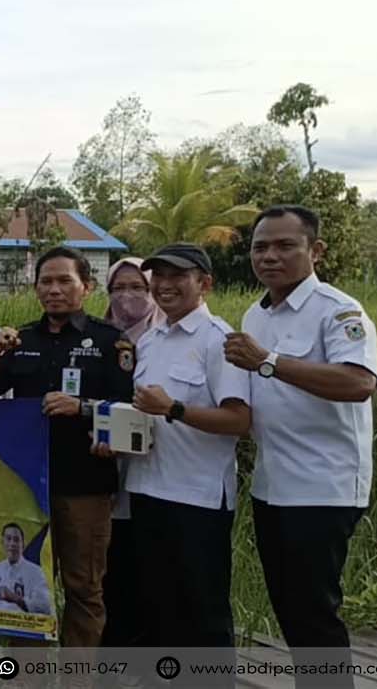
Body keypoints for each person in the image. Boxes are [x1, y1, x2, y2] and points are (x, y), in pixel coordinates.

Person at [225, 205, 377, 682]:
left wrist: (268, 360)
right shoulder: (257, 311)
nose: (270, 257)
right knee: (290, 609)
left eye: (284, 246)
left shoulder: (339, 311)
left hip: (324, 485)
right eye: (260, 247)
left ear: (316, 250)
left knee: (315, 613)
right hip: (273, 485)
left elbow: (358, 382)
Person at [0, 246, 134, 648]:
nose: (54, 289)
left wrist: (81, 408)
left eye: (65, 281)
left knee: (84, 588)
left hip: (86, 487)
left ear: (87, 286)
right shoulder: (18, 340)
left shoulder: (111, 343)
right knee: (26, 585)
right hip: (27, 488)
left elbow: (131, 412)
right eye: (46, 281)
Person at [124, 244, 251, 648]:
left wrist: (175, 408)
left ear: (205, 283)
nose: (164, 285)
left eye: (178, 276)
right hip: (146, 490)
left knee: (203, 614)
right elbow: (144, 412)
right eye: (158, 276)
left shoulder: (219, 341)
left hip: (196, 499)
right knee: (158, 610)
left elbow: (239, 420)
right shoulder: (151, 339)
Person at [98, 256, 164, 649]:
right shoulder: (102, 338)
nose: (127, 296)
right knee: (113, 567)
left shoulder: (163, 338)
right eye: (118, 288)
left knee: (151, 567)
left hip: (159, 473)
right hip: (108, 469)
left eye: (137, 287)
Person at [0, 523, 53, 615]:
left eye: (16, 540)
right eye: (8, 539)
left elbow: (45, 607)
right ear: (2, 542)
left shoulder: (37, 572)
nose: (12, 544)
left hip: (25, 627)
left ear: (23, 544)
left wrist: (16, 599)